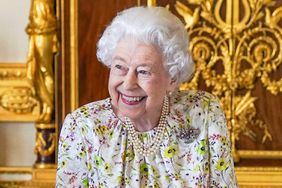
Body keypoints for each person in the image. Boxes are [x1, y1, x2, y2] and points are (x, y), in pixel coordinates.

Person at [56, 6, 237, 187]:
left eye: (143, 71)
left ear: (172, 78)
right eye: (120, 67)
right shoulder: (83, 127)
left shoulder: (203, 113)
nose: (128, 84)